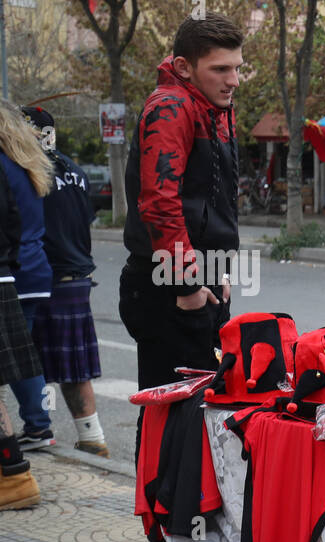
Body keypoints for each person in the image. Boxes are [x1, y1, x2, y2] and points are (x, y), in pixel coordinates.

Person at [118, 14, 241, 396]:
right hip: (167, 284)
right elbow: (159, 202)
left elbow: (210, 202)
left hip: (195, 277)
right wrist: (187, 285)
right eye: (220, 69)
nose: (233, 80)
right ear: (184, 67)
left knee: (197, 416)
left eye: (237, 68)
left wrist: (216, 269)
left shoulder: (212, 107)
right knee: (169, 418)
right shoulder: (171, 106)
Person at [20, 106, 109, 458]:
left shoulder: (27, 171)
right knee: (73, 365)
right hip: (77, 275)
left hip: (44, 274)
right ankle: (92, 436)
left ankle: (37, 427)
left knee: (28, 358)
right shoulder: (74, 169)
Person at [0, 101, 56, 453]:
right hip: (36, 270)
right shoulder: (29, 165)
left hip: (14, 271)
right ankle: (40, 423)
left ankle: (38, 424)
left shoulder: (3, 166)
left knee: (19, 357)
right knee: (25, 355)